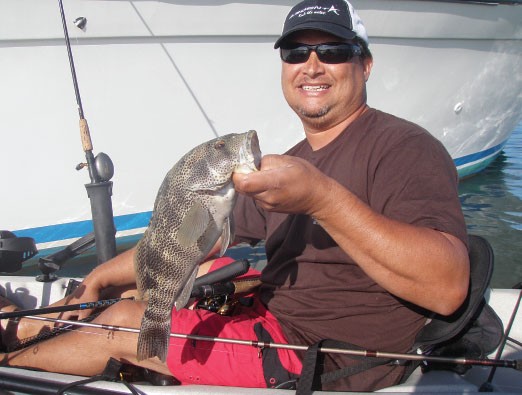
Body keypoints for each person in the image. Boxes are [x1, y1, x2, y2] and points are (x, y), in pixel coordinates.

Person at [0, 0, 470, 391]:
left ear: (364, 63)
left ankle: (14, 352)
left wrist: (322, 199)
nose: (311, 65)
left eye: (332, 50)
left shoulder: (404, 148)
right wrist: (101, 275)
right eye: (294, 53)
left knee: (124, 321)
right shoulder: (293, 160)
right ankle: (22, 329)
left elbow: (447, 289)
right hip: (267, 317)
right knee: (123, 295)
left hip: (317, 358)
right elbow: (188, 236)